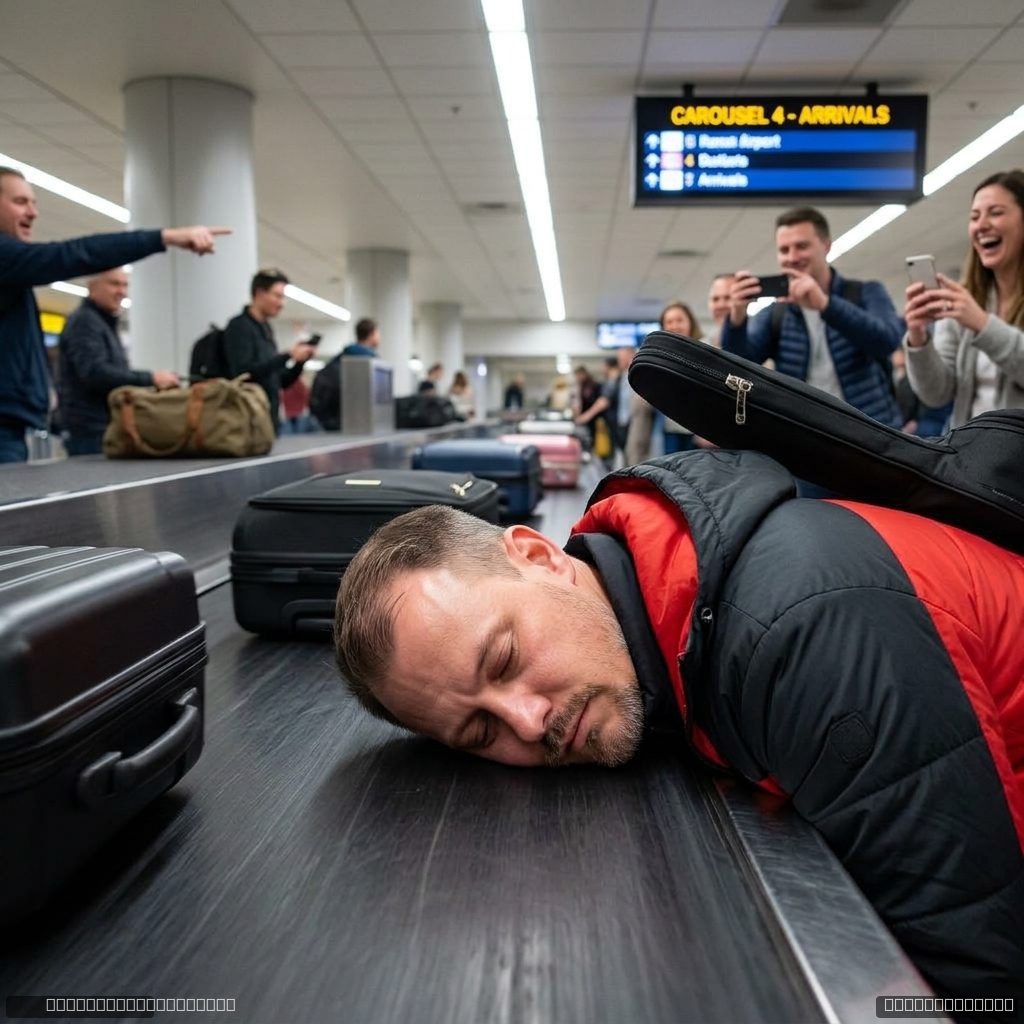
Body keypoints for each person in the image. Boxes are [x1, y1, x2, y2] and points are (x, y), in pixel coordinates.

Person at [334, 452, 1024, 1007]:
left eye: (505, 659)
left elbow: (980, 979)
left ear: (540, 556)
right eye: (481, 733)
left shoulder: (799, 632)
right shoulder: (678, 610)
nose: (528, 719)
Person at [0, 165, 229, 463]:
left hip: (16, 427)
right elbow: (71, 254)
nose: (33, 212)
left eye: (33, 203)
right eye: (20, 202)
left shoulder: (18, 281)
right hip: (59, 431)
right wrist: (164, 237)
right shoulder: (83, 320)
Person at [722, 206, 904, 427]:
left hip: (869, 432)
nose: (792, 257)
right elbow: (739, 367)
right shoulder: (776, 313)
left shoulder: (865, 292)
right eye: (784, 250)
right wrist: (737, 319)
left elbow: (886, 341)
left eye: (801, 246)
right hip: (806, 433)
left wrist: (826, 305)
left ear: (826, 246)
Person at [903, 169, 1024, 428]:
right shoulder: (966, 299)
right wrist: (918, 337)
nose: (981, 225)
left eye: (996, 212)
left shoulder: (970, 311)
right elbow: (937, 394)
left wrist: (982, 324)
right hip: (973, 458)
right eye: (974, 216)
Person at [57, 269, 180, 455]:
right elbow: (96, 373)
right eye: (114, 284)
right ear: (92, 287)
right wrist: (150, 378)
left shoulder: (102, 322)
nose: (122, 291)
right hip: (90, 429)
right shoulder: (85, 322)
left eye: (125, 285)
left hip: (103, 425)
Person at [222, 269, 316, 435]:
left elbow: (280, 381)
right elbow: (244, 373)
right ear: (259, 293)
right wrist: (287, 355)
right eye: (277, 296)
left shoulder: (266, 330)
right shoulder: (239, 326)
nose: (282, 303)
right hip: (247, 423)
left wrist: (300, 362)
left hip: (269, 421)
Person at [658, 301, 708, 454]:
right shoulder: (660, 356)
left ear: (690, 322)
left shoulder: (704, 352)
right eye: (669, 321)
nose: (674, 325)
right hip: (670, 428)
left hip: (698, 430)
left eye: (679, 320)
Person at [707, 273, 734, 343]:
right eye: (715, 299)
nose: (721, 305)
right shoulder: (704, 345)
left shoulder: (761, 344)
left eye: (728, 298)